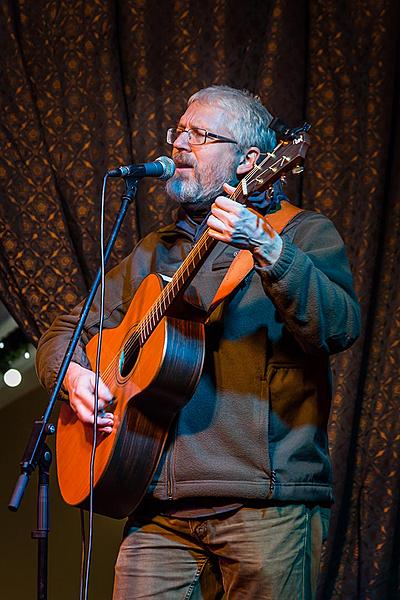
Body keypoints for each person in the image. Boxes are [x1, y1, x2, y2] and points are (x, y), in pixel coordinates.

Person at [36, 85, 361, 599]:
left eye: (201, 134)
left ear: (250, 161)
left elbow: (339, 326)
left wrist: (270, 250)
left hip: (264, 505)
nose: (180, 144)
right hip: (156, 509)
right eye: (178, 131)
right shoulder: (153, 252)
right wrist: (76, 377)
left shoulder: (301, 232)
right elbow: (61, 335)